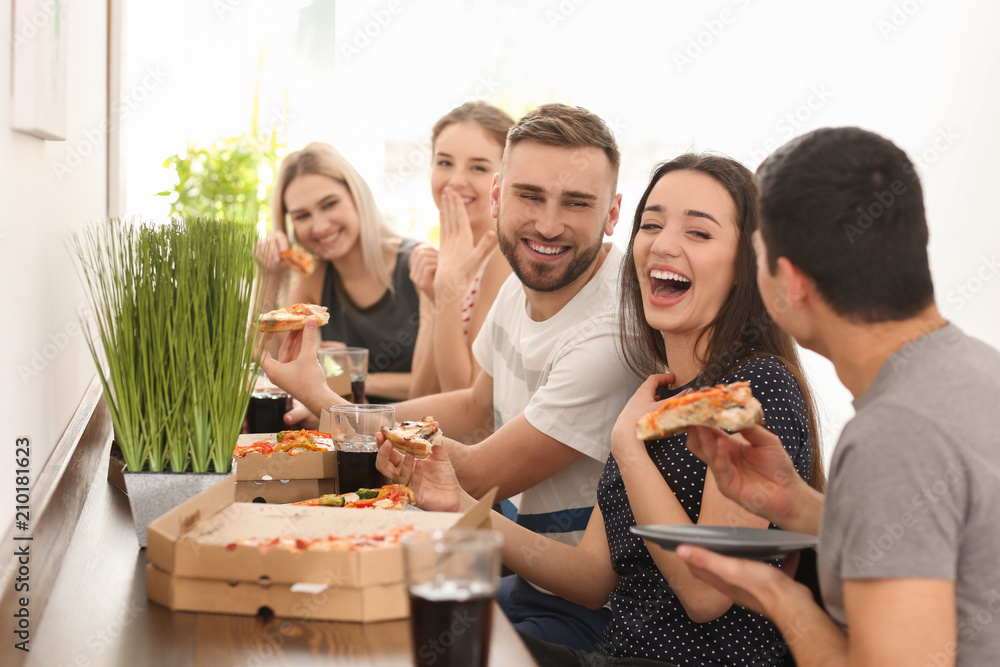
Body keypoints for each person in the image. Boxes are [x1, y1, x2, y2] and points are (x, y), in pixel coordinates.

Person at [377, 153, 824, 666]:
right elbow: (589, 578)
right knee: (404, 633)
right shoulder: (656, 394)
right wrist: (456, 502)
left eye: (698, 234)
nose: (663, 243)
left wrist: (629, 450)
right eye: (651, 224)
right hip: (613, 652)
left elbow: (706, 595)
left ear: (748, 265)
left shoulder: (753, 385)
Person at [264, 103, 645, 651]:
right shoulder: (531, 271)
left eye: (577, 203)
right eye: (530, 196)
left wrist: (319, 395)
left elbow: (478, 475)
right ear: (499, 196)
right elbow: (471, 406)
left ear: (612, 215)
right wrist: (335, 406)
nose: (547, 223)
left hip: (584, 619)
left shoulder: (611, 334)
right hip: (516, 578)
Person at [674, 127, 1000, 667]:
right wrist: (797, 505)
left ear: (792, 283)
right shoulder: (977, 370)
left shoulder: (893, 437)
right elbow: (950, 542)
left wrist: (783, 601)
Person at [256, 141, 422, 404]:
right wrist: (270, 278)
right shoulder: (315, 278)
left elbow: (448, 386)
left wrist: (356, 375)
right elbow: (277, 366)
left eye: (330, 204)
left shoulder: (418, 264)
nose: (319, 226)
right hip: (352, 433)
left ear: (357, 196)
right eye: (302, 216)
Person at [409, 101, 516, 397]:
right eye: (444, 162)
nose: (455, 181)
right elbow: (421, 396)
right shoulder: (440, 258)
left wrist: (448, 290)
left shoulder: (505, 255)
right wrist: (436, 298)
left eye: (478, 167)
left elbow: (464, 396)